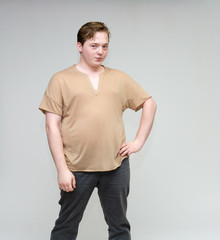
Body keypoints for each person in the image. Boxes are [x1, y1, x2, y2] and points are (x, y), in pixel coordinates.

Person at [39, 21, 157, 240]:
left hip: (116, 166)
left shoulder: (119, 78)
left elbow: (149, 103)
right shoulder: (61, 79)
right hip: (76, 168)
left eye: (104, 46)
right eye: (94, 45)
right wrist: (62, 169)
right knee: (66, 226)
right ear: (79, 46)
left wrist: (138, 141)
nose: (100, 51)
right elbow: (51, 126)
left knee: (119, 226)